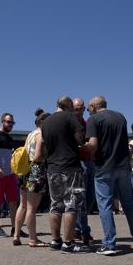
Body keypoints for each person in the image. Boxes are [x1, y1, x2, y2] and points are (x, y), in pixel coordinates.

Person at [85, 96, 133, 255]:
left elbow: (93, 145)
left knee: (105, 205)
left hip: (103, 167)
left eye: (88, 108)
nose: (88, 111)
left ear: (94, 106)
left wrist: (83, 149)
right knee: (130, 204)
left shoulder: (94, 120)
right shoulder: (120, 117)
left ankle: (109, 244)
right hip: (122, 166)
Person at [42, 97, 89, 253]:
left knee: (55, 204)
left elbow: (44, 146)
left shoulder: (46, 122)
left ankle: (56, 240)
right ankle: (68, 243)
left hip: (53, 168)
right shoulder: (70, 117)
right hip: (70, 166)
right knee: (72, 204)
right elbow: (80, 140)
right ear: (69, 106)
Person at [13, 108, 50, 247]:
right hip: (36, 170)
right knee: (31, 208)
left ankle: (16, 235)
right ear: (42, 122)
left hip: (25, 170)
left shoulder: (30, 134)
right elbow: (38, 155)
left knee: (22, 206)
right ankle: (33, 239)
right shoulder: (41, 134)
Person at [72, 98, 95, 245]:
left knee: (88, 198)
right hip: (76, 163)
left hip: (89, 161)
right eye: (76, 108)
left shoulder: (87, 123)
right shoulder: (69, 123)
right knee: (80, 198)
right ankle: (83, 230)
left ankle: (78, 228)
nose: (79, 111)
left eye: (81, 108)